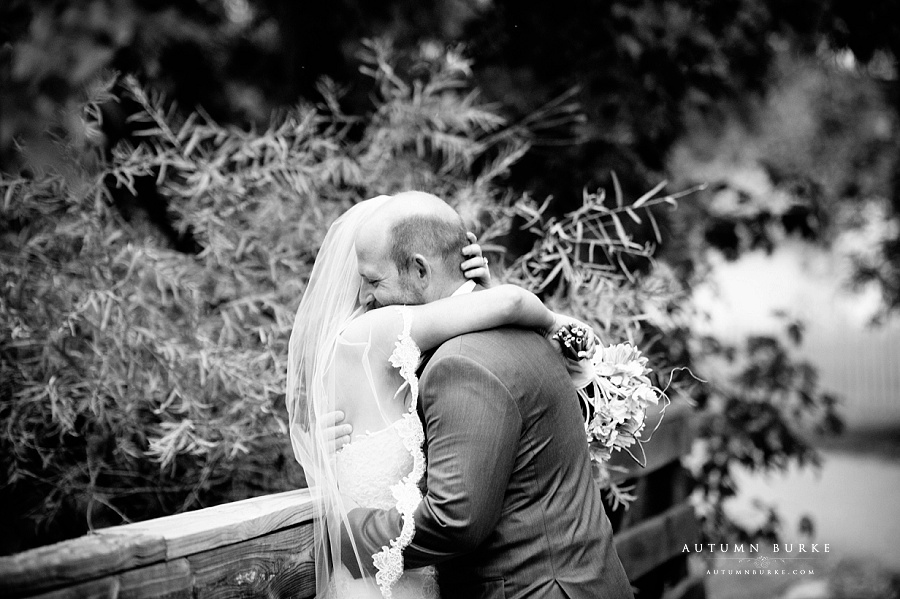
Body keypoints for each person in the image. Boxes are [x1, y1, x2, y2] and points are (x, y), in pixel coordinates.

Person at [287, 192, 633, 599]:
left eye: (375, 281)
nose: (366, 297)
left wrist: (344, 534)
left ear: (419, 269)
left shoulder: (460, 363)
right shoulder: (524, 336)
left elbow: (455, 520)